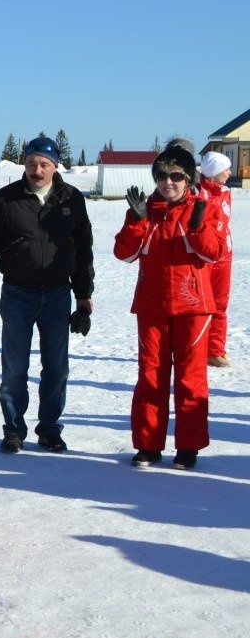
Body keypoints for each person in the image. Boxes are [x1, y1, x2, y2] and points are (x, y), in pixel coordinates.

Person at [0, 135, 95, 454]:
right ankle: (14, 429)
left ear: (55, 167)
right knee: (14, 367)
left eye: (43, 164)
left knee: (57, 366)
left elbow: (83, 251)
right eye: (30, 164)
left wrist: (83, 294)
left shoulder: (72, 200)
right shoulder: (5, 200)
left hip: (57, 294)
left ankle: (50, 429)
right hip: (17, 294)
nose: (36, 170)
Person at [115, 144, 226, 469]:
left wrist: (198, 226)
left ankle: (188, 447)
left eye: (177, 175)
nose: (168, 182)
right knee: (150, 376)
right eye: (162, 175)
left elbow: (214, 253)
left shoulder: (203, 208)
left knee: (191, 379)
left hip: (194, 307)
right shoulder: (145, 209)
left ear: (188, 177)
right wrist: (136, 221)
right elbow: (124, 253)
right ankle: (148, 445)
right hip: (153, 305)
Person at [198, 151, 234, 368]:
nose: (230, 172)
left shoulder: (224, 192)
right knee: (203, 304)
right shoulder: (201, 195)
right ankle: (199, 348)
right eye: (226, 169)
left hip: (224, 255)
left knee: (221, 303)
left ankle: (215, 349)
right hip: (206, 256)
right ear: (213, 171)